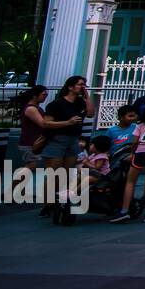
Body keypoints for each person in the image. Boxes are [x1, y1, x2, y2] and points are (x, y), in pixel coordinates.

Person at [39, 77, 90, 216]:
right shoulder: (57, 104)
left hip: (73, 140)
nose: (83, 87)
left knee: (66, 173)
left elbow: (91, 113)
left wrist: (87, 96)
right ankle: (47, 203)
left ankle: (59, 201)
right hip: (57, 140)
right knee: (53, 173)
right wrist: (68, 122)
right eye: (80, 85)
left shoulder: (80, 103)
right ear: (70, 87)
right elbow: (46, 123)